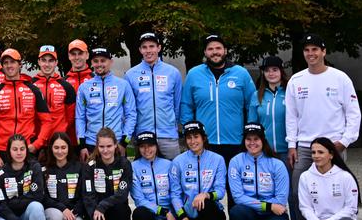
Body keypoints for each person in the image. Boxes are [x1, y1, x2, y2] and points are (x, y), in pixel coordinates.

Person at [285, 35, 361, 220]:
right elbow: (292, 116)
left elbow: (353, 112)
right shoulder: (296, 80)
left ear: (324, 52)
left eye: (315, 49)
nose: (311, 54)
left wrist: (345, 141)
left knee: (337, 193)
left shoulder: (340, 78)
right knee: (298, 194)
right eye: (307, 50)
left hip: (333, 147)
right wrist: (292, 144)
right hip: (306, 147)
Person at [179, 34, 256, 165]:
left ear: (225, 50)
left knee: (233, 183)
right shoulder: (194, 74)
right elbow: (186, 104)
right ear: (205, 52)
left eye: (218, 48)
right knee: (206, 183)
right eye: (210, 49)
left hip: (235, 141)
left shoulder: (241, 73)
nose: (215, 52)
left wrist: (250, 131)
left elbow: (252, 104)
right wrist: (190, 132)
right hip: (205, 142)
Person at [227, 123, 290, 220]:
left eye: (256, 139)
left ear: (263, 140)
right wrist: (267, 206)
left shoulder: (277, 164)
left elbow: (280, 199)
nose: (252, 143)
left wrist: (271, 208)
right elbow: (238, 197)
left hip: (273, 214)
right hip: (251, 212)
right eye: (248, 139)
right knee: (236, 212)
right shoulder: (236, 161)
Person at [170, 120, 228, 220]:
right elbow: (175, 195)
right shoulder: (178, 162)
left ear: (203, 138)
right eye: (189, 138)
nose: (192, 141)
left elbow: (221, 190)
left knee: (206, 203)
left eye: (196, 136)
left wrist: (206, 195)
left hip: (210, 211)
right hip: (188, 215)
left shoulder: (218, 160)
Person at [298, 136, 361, 220]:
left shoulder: (345, 177)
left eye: (320, 152)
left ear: (331, 155)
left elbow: (351, 208)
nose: (316, 156)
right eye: (313, 152)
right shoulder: (305, 177)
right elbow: (305, 207)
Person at [0, 48, 50, 166]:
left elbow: (47, 121)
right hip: (3, 150)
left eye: (12, 62)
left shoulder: (34, 90)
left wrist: (37, 144)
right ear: (2, 66)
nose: (9, 66)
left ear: (20, 64)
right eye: (6, 63)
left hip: (27, 149)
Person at [124, 33, 184, 160]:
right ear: (140, 50)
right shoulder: (130, 75)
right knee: (144, 175)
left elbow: (177, 104)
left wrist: (174, 126)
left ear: (159, 48)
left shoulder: (173, 73)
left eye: (152, 46)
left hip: (168, 135)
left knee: (172, 174)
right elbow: (130, 108)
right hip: (143, 135)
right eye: (144, 47)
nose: (148, 50)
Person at [81, 127, 133, 220]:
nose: (105, 150)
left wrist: (102, 206)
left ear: (116, 145)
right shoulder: (90, 165)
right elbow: (88, 194)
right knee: (90, 212)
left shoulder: (124, 164)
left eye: (109, 146)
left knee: (123, 209)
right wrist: (95, 211)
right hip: (97, 210)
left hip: (115, 208)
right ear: (97, 146)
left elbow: (122, 193)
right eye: (102, 146)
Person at [74, 48, 136, 161]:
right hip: (91, 143)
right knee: (91, 178)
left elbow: (131, 115)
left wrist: (124, 142)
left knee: (117, 178)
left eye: (103, 60)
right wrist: (82, 145)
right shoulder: (84, 87)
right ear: (91, 63)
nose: (99, 64)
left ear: (111, 62)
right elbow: (79, 117)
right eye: (96, 61)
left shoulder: (123, 85)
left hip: (115, 143)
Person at [130, 131, 178, 220]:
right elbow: (139, 200)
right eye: (142, 146)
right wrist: (162, 211)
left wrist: (172, 212)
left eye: (150, 145)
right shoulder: (133, 167)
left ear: (156, 146)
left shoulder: (168, 164)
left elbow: (176, 192)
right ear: (138, 149)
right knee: (139, 213)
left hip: (168, 219)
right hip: (150, 215)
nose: (147, 150)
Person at [42, 132, 88, 220]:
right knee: (54, 216)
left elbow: (84, 195)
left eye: (63, 147)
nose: (60, 151)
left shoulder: (79, 167)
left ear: (69, 148)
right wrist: (62, 209)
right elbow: (43, 197)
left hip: (74, 214)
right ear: (51, 148)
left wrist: (74, 212)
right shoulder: (44, 169)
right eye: (56, 147)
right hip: (54, 211)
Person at [31, 46, 74, 158]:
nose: (47, 64)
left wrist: (61, 130)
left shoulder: (66, 86)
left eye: (51, 61)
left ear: (56, 63)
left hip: (58, 141)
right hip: (36, 140)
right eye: (44, 60)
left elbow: (70, 116)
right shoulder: (31, 84)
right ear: (39, 62)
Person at [250, 56, 289, 162]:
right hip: (264, 151)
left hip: (287, 151)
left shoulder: (290, 92)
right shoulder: (256, 95)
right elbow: (252, 124)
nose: (271, 74)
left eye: (275, 70)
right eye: (267, 71)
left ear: (281, 71)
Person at [64, 40, 93, 146]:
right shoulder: (63, 82)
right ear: (69, 56)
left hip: (92, 138)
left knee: (91, 163)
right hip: (69, 139)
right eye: (73, 54)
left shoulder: (96, 80)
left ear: (87, 55)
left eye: (80, 53)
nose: (76, 57)